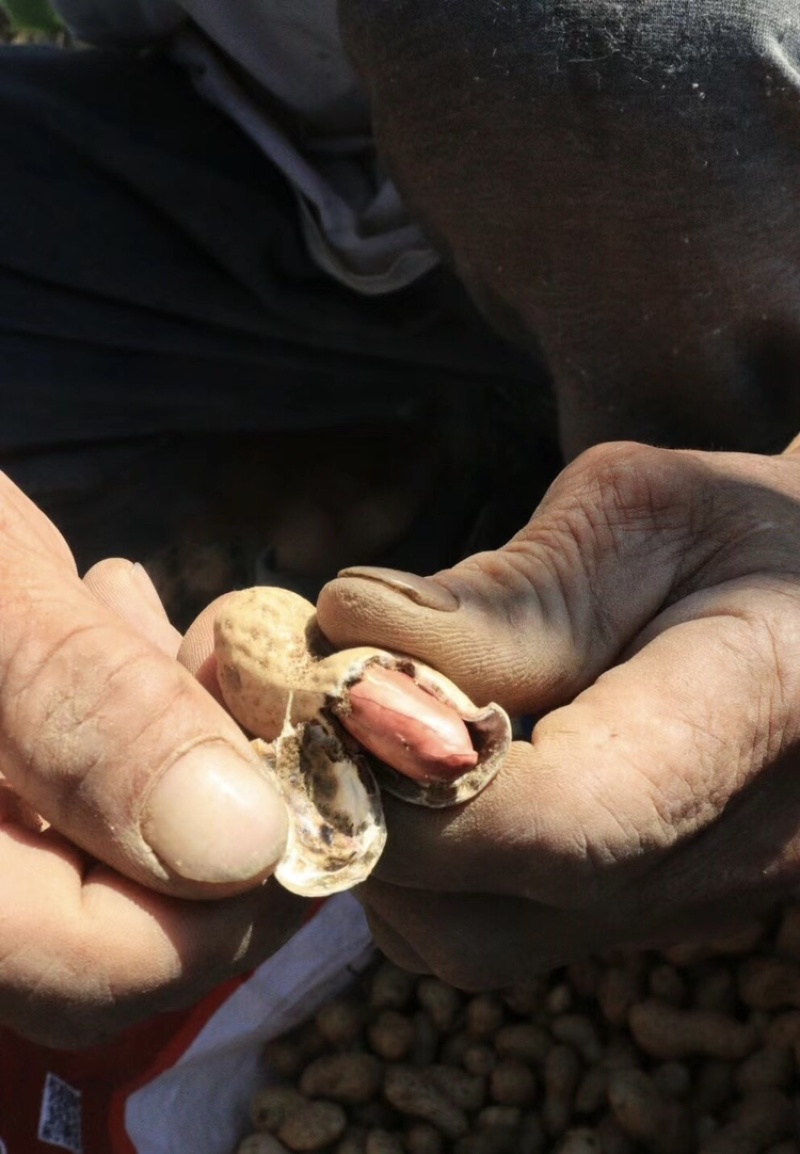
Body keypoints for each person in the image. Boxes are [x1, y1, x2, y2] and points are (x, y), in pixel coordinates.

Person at [1, 0, 800, 1053]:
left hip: (698, 196)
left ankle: (685, 466)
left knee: (596, 33)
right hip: (275, 152)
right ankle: (465, 472)